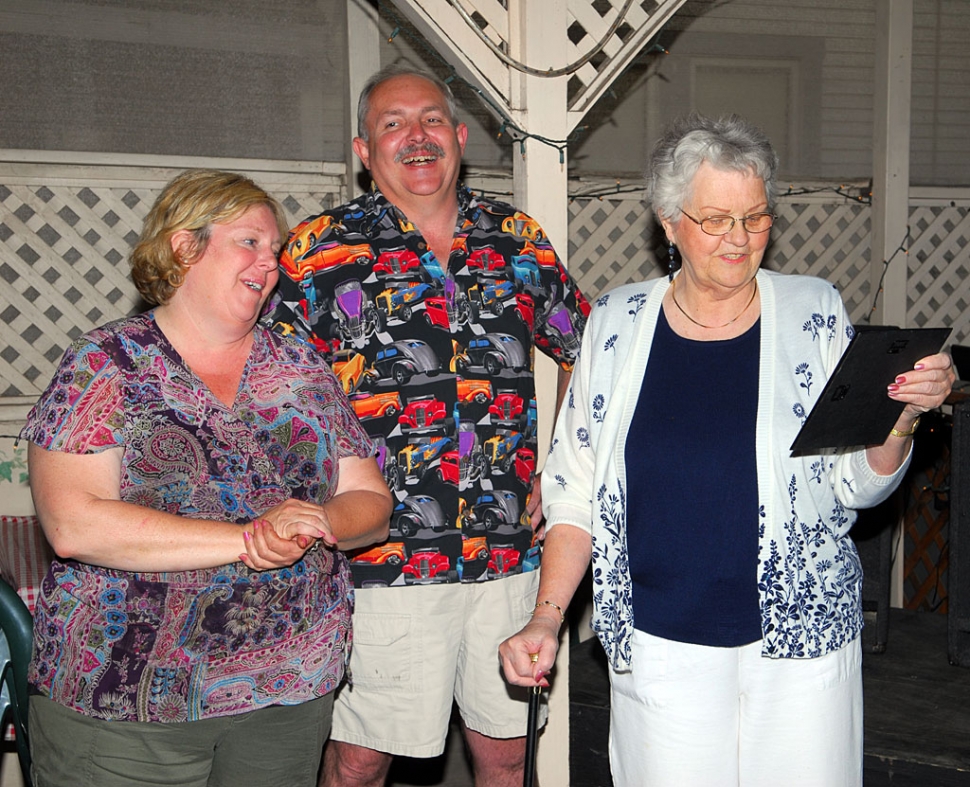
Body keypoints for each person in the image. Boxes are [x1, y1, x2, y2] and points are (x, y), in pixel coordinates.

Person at [499, 114, 956, 787]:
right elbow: (574, 487)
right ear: (668, 220)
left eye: (755, 216)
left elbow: (858, 484)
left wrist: (902, 419)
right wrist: (545, 618)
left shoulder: (814, 311)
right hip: (660, 647)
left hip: (801, 646)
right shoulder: (615, 324)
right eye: (716, 218)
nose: (740, 238)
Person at [269, 64, 590, 787]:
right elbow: (268, 387)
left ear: (459, 136)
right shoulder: (319, 250)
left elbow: (585, 345)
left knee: (507, 754)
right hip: (381, 558)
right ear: (363, 150)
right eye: (392, 124)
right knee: (358, 759)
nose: (416, 137)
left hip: (510, 552)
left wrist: (560, 463)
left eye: (431, 120)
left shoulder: (515, 237)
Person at [21, 169, 393, 787]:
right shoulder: (107, 363)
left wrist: (321, 520)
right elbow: (73, 524)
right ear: (183, 247)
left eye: (274, 252)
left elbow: (370, 499)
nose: (268, 264)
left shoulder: (298, 363)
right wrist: (253, 539)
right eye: (249, 242)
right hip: (127, 701)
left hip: (288, 692)